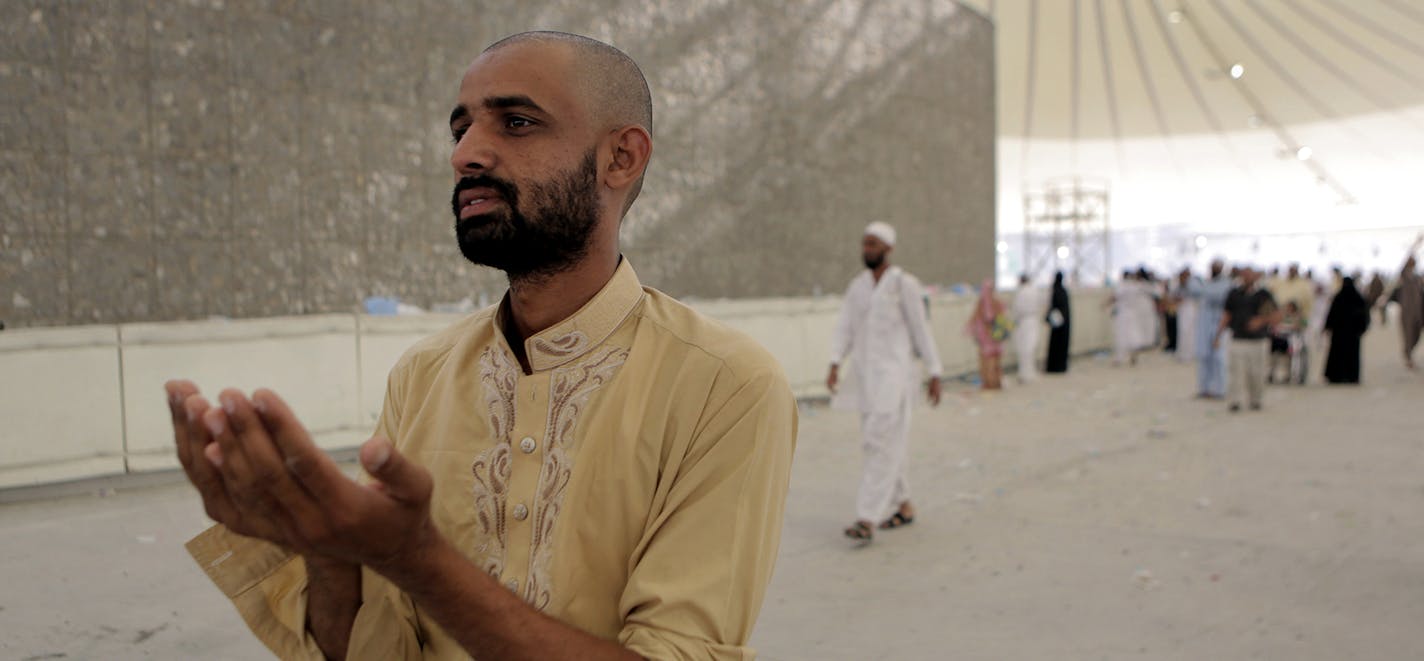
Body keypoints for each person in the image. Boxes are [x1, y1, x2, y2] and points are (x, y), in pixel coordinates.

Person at [164, 32, 797, 660]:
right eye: (459, 130)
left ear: (622, 158)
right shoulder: (423, 374)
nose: (466, 154)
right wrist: (329, 553)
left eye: (516, 122)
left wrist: (416, 560)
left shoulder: (725, 384)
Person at [828, 221, 943, 544]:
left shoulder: (903, 284)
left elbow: (921, 329)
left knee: (879, 442)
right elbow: (845, 328)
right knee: (879, 441)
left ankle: (867, 517)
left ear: (888, 249)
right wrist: (835, 362)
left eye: (874, 244)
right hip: (865, 378)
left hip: (896, 377)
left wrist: (934, 371)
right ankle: (904, 505)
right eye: (865, 244)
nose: (867, 250)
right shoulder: (858, 287)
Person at [1216, 267, 1281, 412]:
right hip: (1238, 339)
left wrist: (1261, 321)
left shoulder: (1264, 295)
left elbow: (1276, 316)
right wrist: (1217, 336)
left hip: (1258, 341)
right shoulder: (1234, 294)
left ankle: (1255, 399)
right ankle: (1235, 400)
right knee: (1236, 372)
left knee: (1256, 373)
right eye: (1244, 275)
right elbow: (1226, 315)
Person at [1186, 259, 1231, 399]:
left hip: (1218, 324)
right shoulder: (1207, 283)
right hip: (1204, 324)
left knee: (1219, 358)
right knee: (1203, 356)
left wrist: (1202, 287)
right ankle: (1204, 388)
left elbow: (1213, 295)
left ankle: (1219, 390)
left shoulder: (1226, 284)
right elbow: (1193, 290)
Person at [1323, 277, 1371, 384]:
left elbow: (1331, 315)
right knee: (1349, 356)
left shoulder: (1339, 297)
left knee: (1338, 354)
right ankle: (1350, 376)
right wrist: (1362, 328)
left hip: (1340, 334)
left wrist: (1327, 327)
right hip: (1351, 335)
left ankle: (1337, 376)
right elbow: (1364, 316)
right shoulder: (1357, 298)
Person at [966, 278, 1008, 389]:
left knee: (986, 362)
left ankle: (989, 383)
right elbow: (1002, 318)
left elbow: (976, 318)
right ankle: (997, 382)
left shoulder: (982, 303)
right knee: (996, 361)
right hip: (997, 336)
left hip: (986, 338)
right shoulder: (997, 302)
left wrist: (971, 329)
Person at [1010, 274, 1046, 383]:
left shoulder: (1021, 292)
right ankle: (1030, 373)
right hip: (1033, 320)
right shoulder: (1035, 290)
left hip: (1024, 321)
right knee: (1031, 347)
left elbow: (1017, 308)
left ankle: (1025, 374)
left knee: (1024, 349)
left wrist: (1013, 321)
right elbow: (1043, 302)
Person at [1396, 235, 1424, 369]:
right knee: (1408, 334)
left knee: (1417, 335)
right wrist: (1416, 244)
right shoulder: (1406, 275)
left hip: (1418, 311)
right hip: (1407, 311)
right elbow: (1405, 260)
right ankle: (1408, 357)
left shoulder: (1418, 278)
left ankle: (1409, 353)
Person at [1045, 272, 1072, 373]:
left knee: (1056, 345)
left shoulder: (1056, 291)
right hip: (1062, 325)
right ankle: (1059, 366)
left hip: (1058, 324)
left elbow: (1052, 307)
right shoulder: (1063, 291)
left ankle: (1055, 366)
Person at [1172, 269, 1197, 363]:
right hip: (1182, 310)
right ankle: (1183, 352)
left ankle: (1189, 353)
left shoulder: (1192, 286)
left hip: (1189, 310)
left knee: (1189, 332)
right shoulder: (1179, 286)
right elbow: (1174, 296)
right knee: (1182, 331)